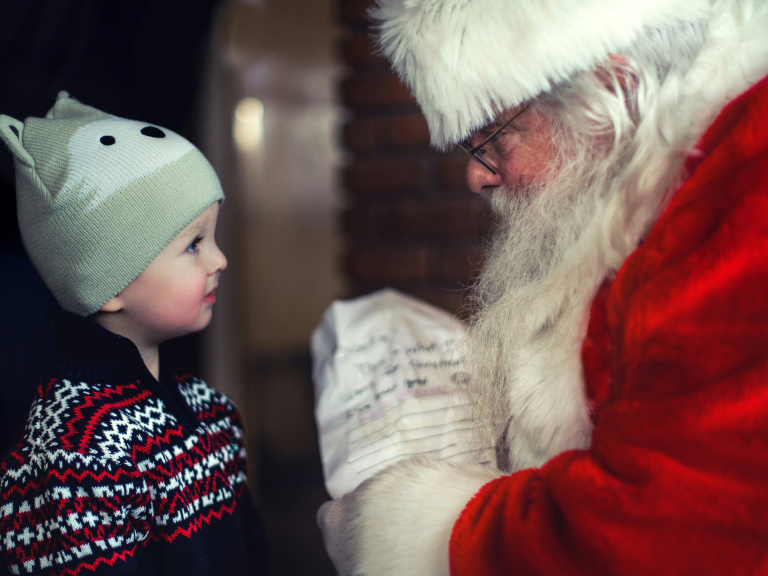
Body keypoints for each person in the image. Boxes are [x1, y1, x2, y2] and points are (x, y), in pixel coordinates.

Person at [317, 0, 768, 574]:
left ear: (614, 88)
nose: (475, 175)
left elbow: (668, 532)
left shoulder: (749, 185)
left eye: (494, 137)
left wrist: (408, 528)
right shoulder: (671, 181)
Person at [0, 92, 267, 576]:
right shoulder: (75, 455)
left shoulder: (211, 412)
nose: (219, 259)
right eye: (193, 245)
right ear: (106, 283)